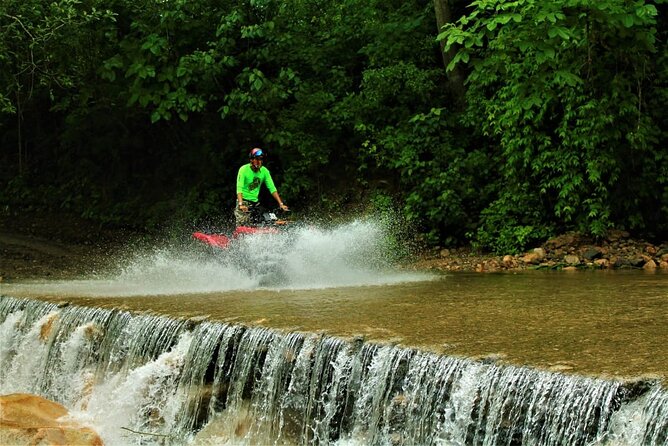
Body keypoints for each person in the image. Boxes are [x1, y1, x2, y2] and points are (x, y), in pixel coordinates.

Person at [235, 148, 289, 226]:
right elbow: (239, 188)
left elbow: (272, 188)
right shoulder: (243, 169)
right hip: (244, 202)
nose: (259, 162)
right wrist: (241, 204)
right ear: (251, 160)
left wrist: (281, 204)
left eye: (261, 159)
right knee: (242, 226)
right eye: (257, 159)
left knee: (262, 222)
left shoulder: (264, 171)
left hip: (255, 204)